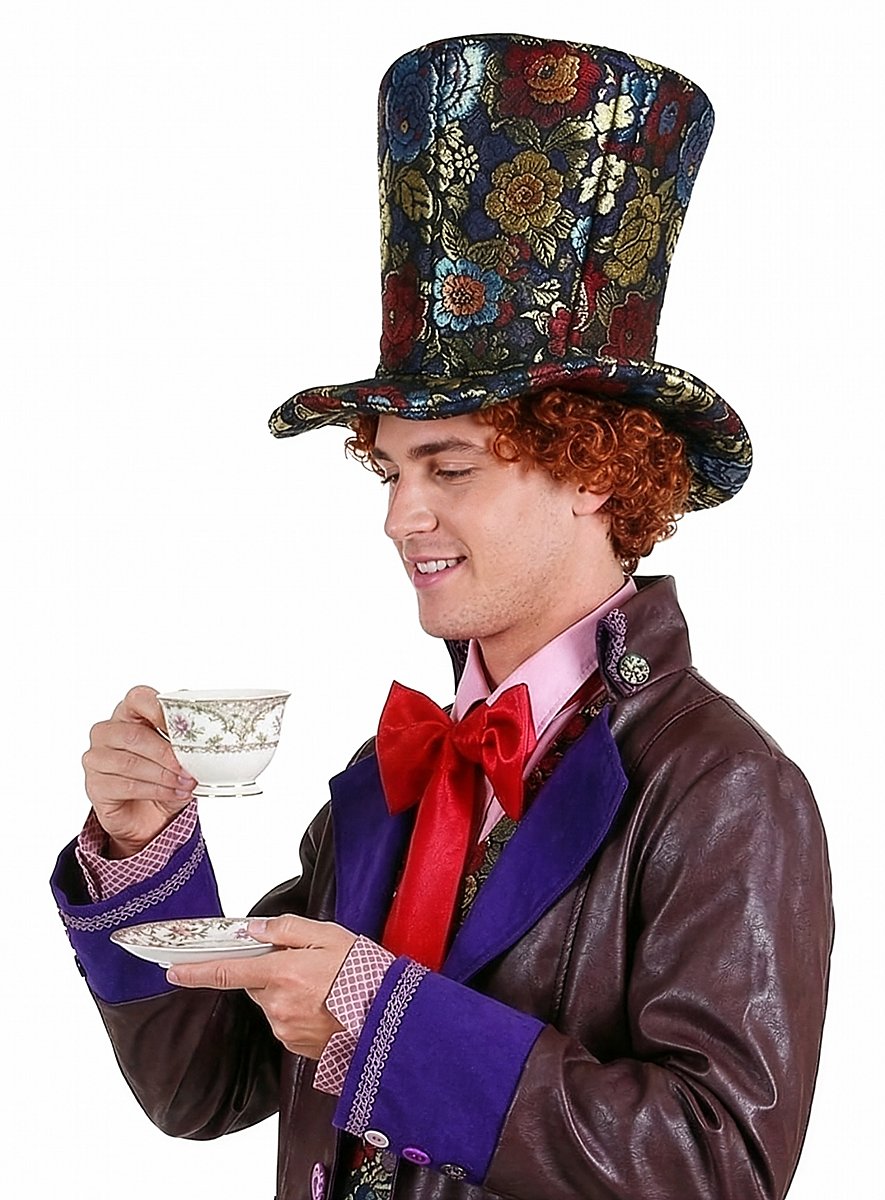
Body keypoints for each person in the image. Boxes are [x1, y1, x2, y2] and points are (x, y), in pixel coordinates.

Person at [51, 33, 833, 1200]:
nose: (398, 517)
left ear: (593, 471)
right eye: (389, 471)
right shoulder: (386, 780)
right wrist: (143, 850)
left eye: (450, 468)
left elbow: (719, 1164)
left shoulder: (725, 788)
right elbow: (202, 1085)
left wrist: (382, 1024)